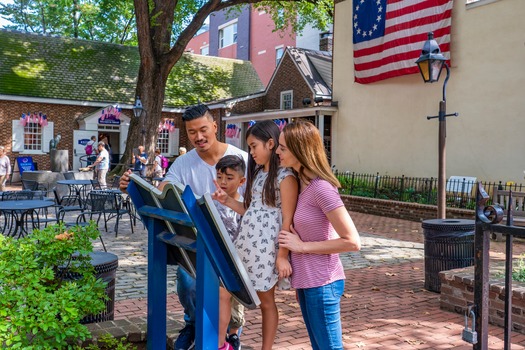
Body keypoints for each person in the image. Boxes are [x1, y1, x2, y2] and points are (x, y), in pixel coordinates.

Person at [119, 103, 248, 350]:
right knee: (187, 282)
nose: (198, 137)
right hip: (196, 242)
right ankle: (192, 323)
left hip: (234, 242)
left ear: (214, 126)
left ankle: (231, 333)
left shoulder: (242, 159)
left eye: (203, 130)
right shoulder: (183, 164)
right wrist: (132, 186)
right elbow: (162, 191)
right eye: (191, 132)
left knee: (231, 291)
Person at [212, 120, 298, 350]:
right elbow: (250, 210)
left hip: (266, 250)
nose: (250, 152)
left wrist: (282, 255)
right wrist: (227, 201)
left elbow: (287, 219)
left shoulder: (285, 176)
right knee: (225, 290)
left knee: (266, 302)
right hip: (246, 243)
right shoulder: (258, 173)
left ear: (270, 144)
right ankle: (221, 343)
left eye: (253, 146)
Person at [276, 120, 361, 350]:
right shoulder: (302, 185)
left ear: (300, 150)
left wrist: (302, 246)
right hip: (308, 282)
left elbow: (352, 241)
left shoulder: (321, 188)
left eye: (283, 148)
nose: (277, 151)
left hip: (323, 283)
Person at [214, 155, 247, 350]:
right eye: (220, 177)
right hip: (219, 259)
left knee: (236, 302)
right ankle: (220, 341)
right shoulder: (214, 200)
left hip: (237, 260)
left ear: (241, 181)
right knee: (222, 297)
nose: (223, 182)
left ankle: (233, 336)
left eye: (229, 177)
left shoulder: (242, 205)